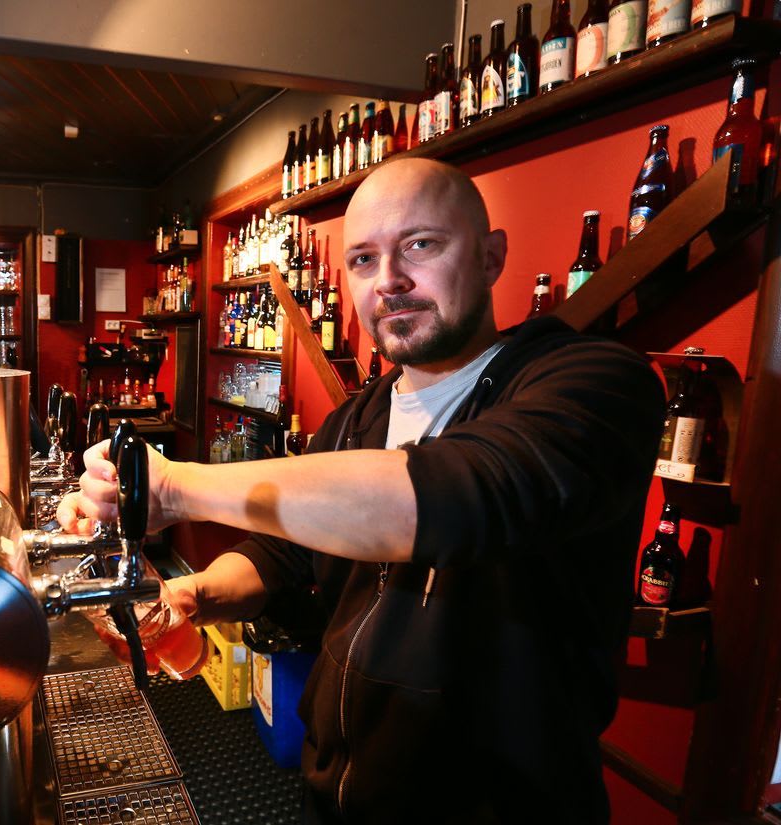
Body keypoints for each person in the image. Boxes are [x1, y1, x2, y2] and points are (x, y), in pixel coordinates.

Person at [59, 157, 665, 824]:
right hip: (338, 794)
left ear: (491, 256)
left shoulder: (594, 384)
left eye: (421, 245)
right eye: (364, 260)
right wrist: (194, 592)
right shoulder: (358, 416)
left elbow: (452, 496)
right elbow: (284, 553)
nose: (390, 280)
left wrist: (173, 486)